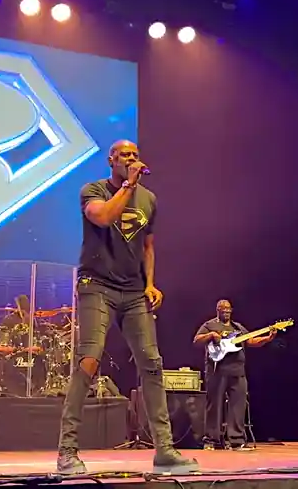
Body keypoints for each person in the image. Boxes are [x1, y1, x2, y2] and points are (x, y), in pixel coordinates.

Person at [57, 140, 197, 474]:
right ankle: (67, 451)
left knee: (152, 363)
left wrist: (150, 283)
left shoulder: (149, 199)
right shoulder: (93, 189)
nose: (132, 160)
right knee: (89, 359)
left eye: (135, 155)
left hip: (134, 291)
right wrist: (128, 184)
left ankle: (164, 450)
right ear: (112, 160)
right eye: (125, 156)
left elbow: (148, 246)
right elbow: (103, 218)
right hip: (97, 285)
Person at [193, 299, 275, 450]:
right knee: (214, 405)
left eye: (228, 309)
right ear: (217, 310)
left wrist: (267, 338)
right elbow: (197, 340)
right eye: (223, 309)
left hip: (237, 371)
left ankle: (237, 440)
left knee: (238, 405)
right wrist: (211, 335)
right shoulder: (209, 325)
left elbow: (250, 341)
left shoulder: (238, 327)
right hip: (217, 370)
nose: (226, 311)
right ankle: (212, 440)